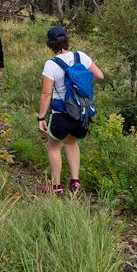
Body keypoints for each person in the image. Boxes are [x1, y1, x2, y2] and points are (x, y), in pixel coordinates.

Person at [37, 26, 104, 195]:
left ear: (50, 44)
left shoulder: (51, 65)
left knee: (54, 147)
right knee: (72, 142)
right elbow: (99, 76)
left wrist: (41, 117)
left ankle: (56, 186)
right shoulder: (81, 56)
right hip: (81, 112)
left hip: (61, 113)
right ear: (66, 40)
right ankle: (75, 182)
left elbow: (46, 93)